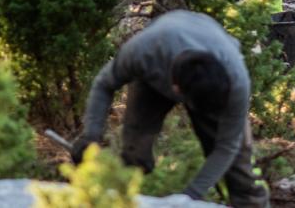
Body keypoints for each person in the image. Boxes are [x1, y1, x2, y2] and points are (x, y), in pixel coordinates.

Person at [73, 11, 267, 207]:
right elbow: (104, 84)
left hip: (208, 75)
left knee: (239, 163)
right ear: (175, 89)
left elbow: (227, 146)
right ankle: (126, 198)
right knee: (134, 152)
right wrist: (91, 135)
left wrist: (189, 196)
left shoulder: (235, 81)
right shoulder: (142, 52)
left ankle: (251, 203)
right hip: (155, 69)